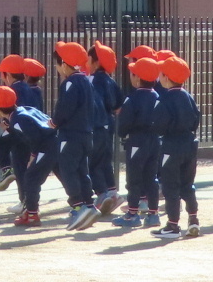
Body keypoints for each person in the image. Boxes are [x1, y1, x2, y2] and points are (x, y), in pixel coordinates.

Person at [0, 86, 58, 227]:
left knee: (30, 178)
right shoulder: (23, 111)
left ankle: (32, 214)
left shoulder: (16, 120)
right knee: (64, 175)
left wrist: (33, 155)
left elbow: (34, 138)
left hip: (46, 146)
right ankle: (82, 203)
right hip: (53, 142)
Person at [51, 41, 101, 231]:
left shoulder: (70, 82)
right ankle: (89, 205)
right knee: (82, 170)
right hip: (86, 133)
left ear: (64, 64)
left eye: (58, 64)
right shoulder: (86, 81)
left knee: (67, 170)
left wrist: (54, 122)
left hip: (70, 134)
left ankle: (78, 206)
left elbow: (65, 108)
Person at [151, 56, 201, 239]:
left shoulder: (165, 99)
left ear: (165, 77)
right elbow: (196, 118)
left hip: (171, 144)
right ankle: (193, 219)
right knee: (188, 184)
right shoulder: (188, 96)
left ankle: (172, 225)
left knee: (171, 186)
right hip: (189, 143)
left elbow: (158, 125)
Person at [112, 57, 161, 228]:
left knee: (134, 177)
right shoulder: (157, 96)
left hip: (137, 140)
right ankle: (153, 214)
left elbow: (124, 123)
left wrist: (122, 133)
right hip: (155, 140)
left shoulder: (132, 99)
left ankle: (132, 213)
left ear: (138, 78)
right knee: (151, 177)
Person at [0, 54, 38, 216]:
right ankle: (26, 200)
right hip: (31, 132)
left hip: (17, 130)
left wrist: (7, 124)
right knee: (26, 166)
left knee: (19, 166)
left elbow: (12, 111)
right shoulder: (29, 88)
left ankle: (24, 200)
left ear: (8, 74)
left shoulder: (12, 90)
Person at [86, 41, 125, 216]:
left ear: (96, 62)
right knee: (105, 160)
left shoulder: (91, 80)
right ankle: (112, 192)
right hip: (109, 125)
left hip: (95, 125)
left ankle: (101, 194)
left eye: (88, 60)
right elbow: (119, 105)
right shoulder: (111, 81)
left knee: (93, 163)